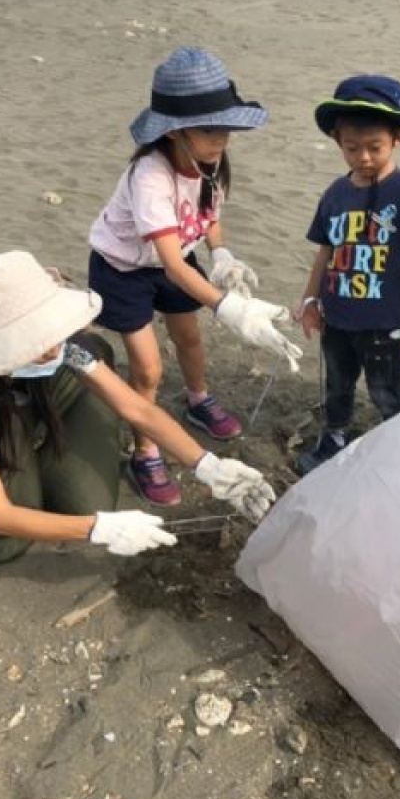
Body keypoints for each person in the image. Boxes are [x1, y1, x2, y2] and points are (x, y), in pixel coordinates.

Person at [0, 251, 276, 576]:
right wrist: (97, 529)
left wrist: (208, 466)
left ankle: (37, 451)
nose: (53, 350)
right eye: (36, 343)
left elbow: (134, 406)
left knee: (87, 499)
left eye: (52, 336)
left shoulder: (59, 345)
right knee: (14, 514)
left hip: (19, 404)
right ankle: (25, 458)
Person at [87, 46, 302, 507]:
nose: (221, 139)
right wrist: (230, 308)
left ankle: (198, 398)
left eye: (226, 128)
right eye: (209, 130)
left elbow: (207, 216)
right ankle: (146, 449)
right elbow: (169, 262)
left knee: (190, 337)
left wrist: (221, 254)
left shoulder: (212, 164)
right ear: (174, 133)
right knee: (146, 367)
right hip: (124, 268)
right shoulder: (150, 176)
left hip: (178, 260)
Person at [292, 76, 400, 475]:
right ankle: (335, 436)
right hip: (337, 317)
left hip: (384, 321)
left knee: (389, 390)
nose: (364, 158)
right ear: (338, 142)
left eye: (374, 147)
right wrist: (309, 299)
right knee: (337, 384)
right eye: (351, 148)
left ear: (398, 139)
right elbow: (326, 249)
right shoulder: (335, 194)